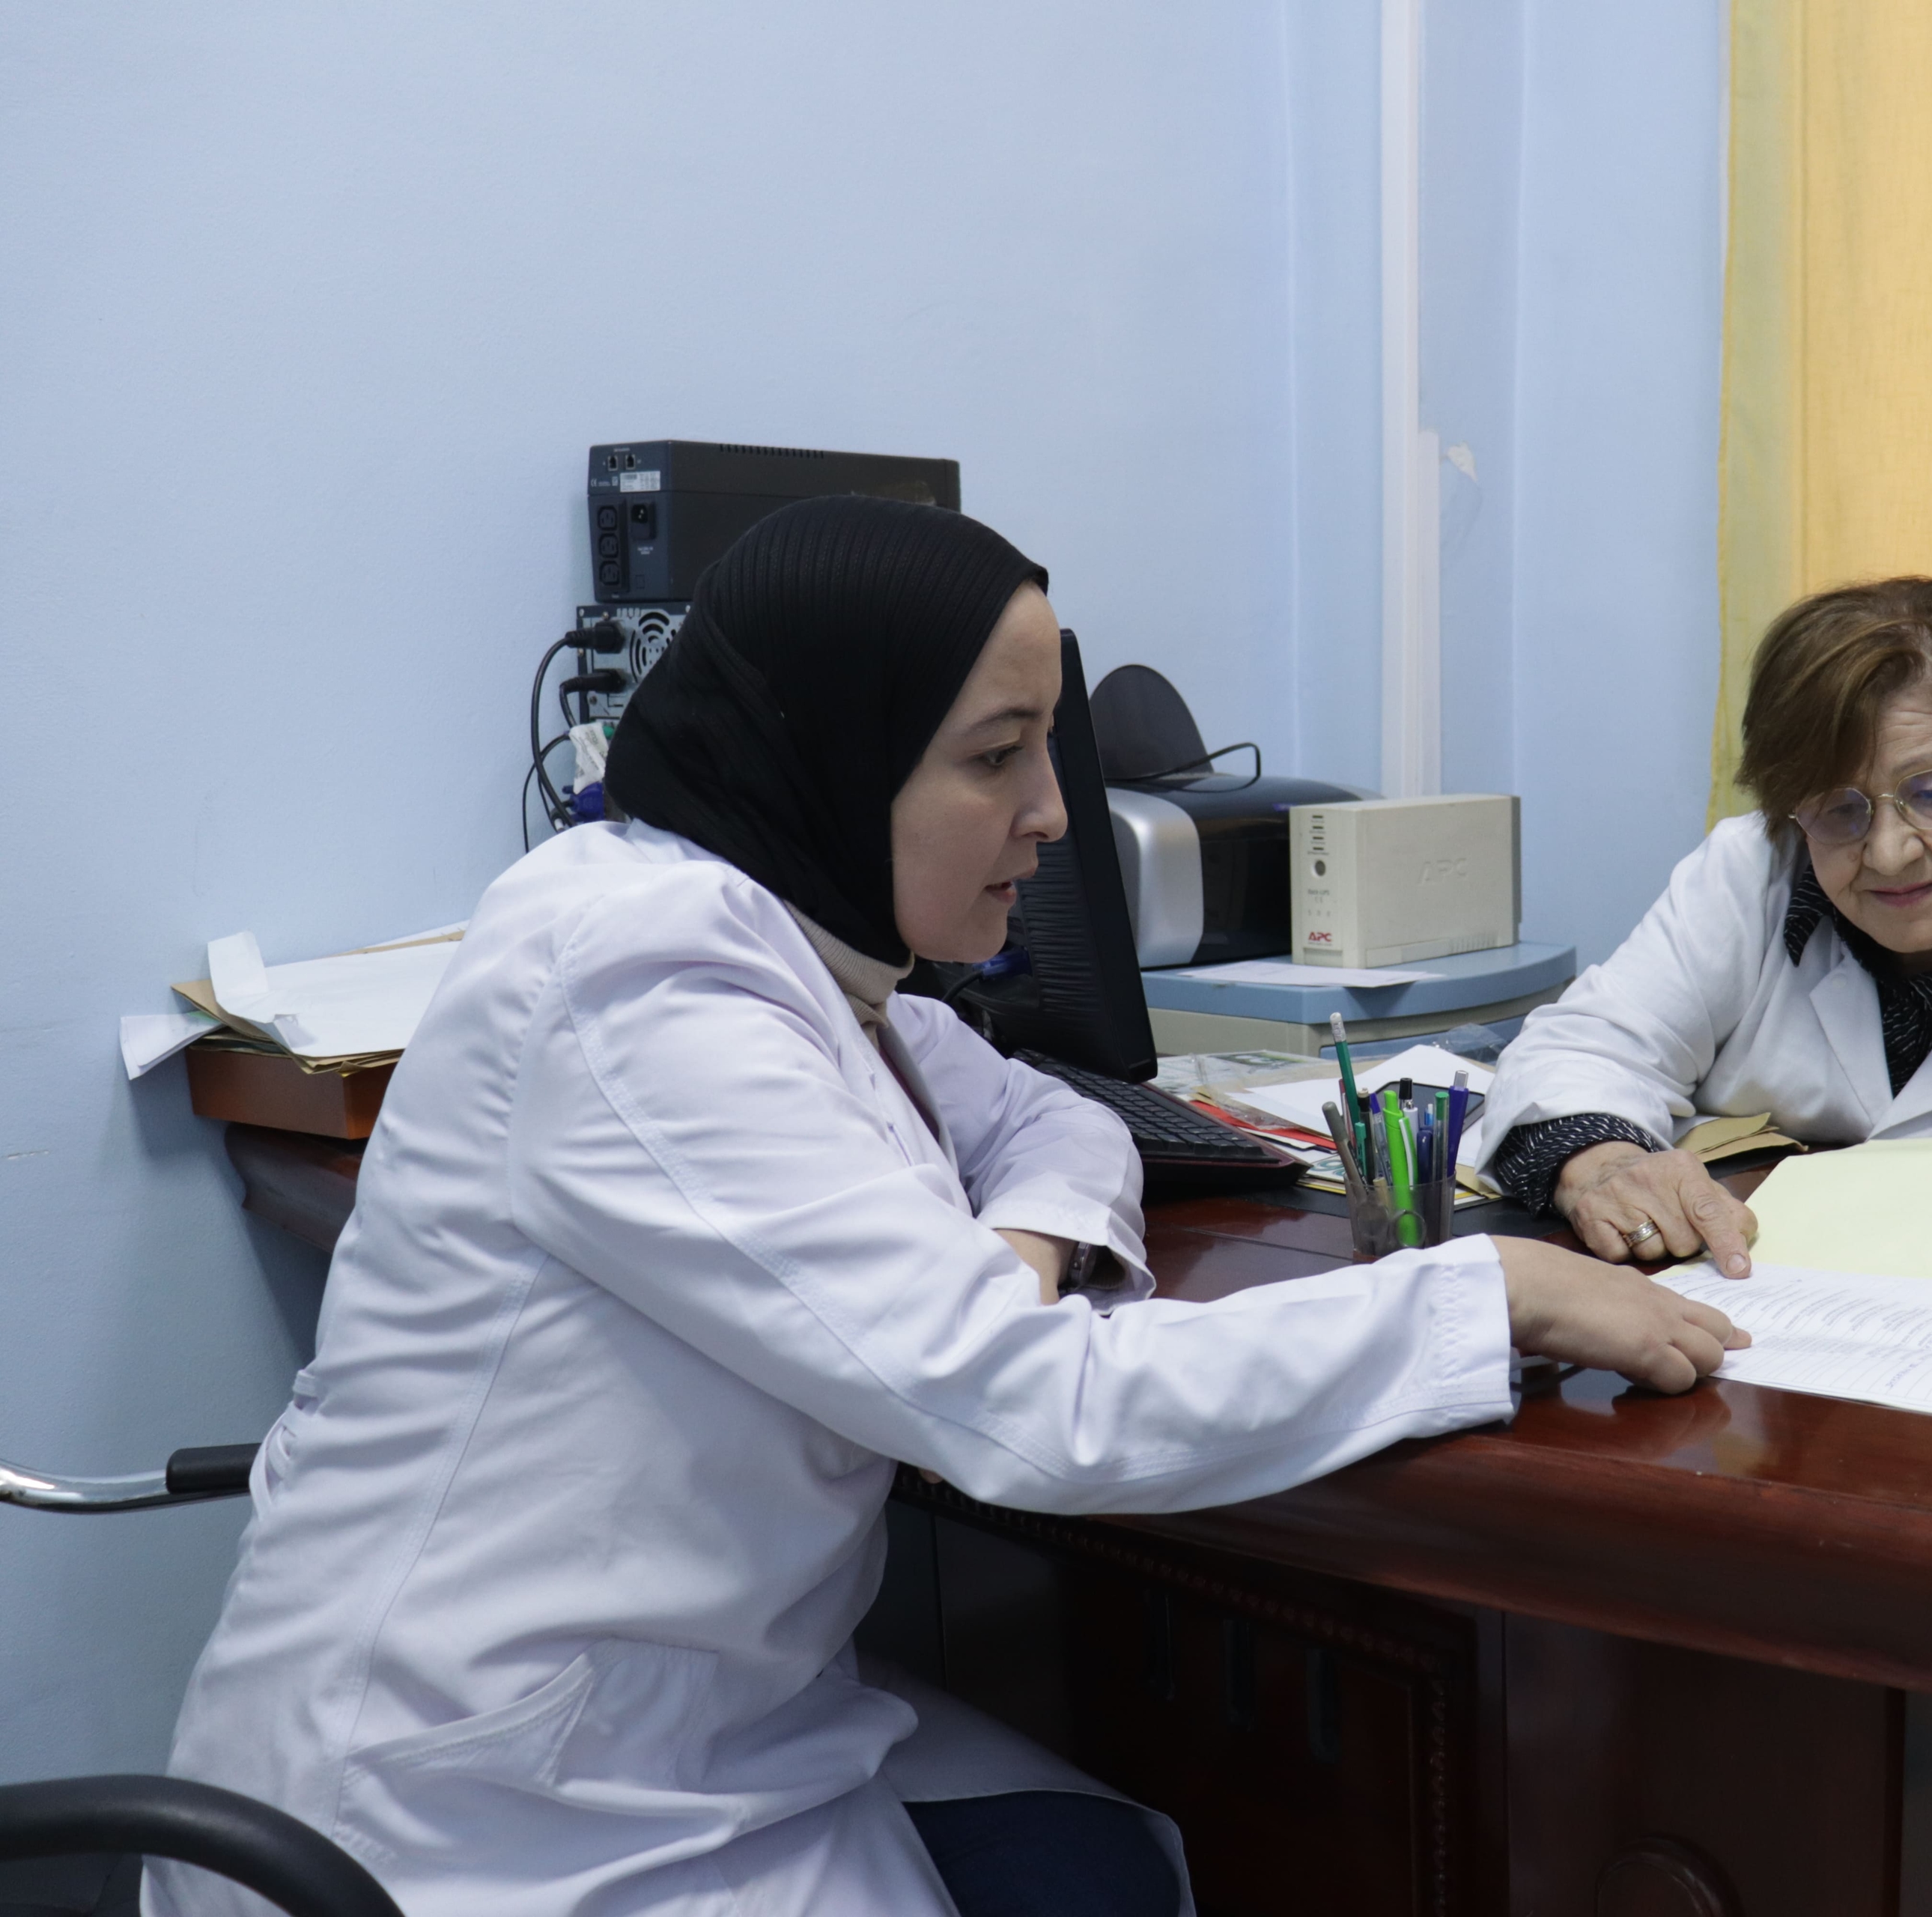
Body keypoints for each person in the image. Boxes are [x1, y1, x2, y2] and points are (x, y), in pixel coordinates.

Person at [151, 499, 1740, 1917]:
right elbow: (1029, 1411)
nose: (1050, 811)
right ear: (838, 756)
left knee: (1108, 1858)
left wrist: (1013, 1247)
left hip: (698, 1721)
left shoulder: (813, 955)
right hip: (477, 1807)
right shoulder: (642, 982)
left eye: (1047, 747)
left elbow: (1057, 1118)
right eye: (996, 756)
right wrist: (1486, 1297)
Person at [1469, 575, 1932, 1276]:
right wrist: (1607, 1168)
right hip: (1746, 1320)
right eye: (1837, 807)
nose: (1889, 854)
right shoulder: (1747, 874)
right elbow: (1577, 1053)